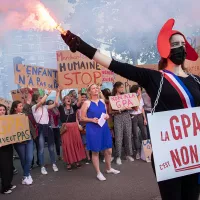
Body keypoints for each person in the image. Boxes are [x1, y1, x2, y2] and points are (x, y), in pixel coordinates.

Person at [61, 18, 199, 199]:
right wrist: (81, 46)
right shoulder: (153, 78)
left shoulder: (196, 80)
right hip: (169, 153)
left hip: (193, 151)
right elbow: (116, 65)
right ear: (165, 48)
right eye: (175, 44)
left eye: (183, 44)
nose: (180, 48)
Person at [81, 84, 120, 181]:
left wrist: (107, 116)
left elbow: (106, 113)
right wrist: (91, 120)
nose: (96, 89)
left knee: (109, 150)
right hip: (93, 129)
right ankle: (98, 172)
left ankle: (108, 168)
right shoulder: (87, 103)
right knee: (95, 151)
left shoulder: (102, 101)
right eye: (93, 88)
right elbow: (82, 118)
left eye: (97, 88)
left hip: (104, 127)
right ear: (89, 92)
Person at [32, 89, 60, 175]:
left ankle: (54, 164)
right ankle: (42, 166)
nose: (42, 99)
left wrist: (58, 92)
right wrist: (47, 94)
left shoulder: (45, 107)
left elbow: (55, 104)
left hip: (48, 127)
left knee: (51, 148)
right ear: (36, 100)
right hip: (40, 128)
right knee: (41, 149)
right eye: (40, 98)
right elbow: (41, 102)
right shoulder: (34, 107)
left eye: (42, 98)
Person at [59, 92, 86, 171]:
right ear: (63, 101)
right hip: (66, 128)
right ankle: (69, 162)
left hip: (74, 127)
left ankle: (77, 160)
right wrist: (58, 92)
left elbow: (79, 101)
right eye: (66, 98)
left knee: (75, 143)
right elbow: (56, 102)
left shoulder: (74, 107)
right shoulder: (60, 107)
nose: (68, 99)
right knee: (67, 144)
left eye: (69, 98)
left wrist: (79, 91)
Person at [109, 82, 134, 165]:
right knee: (118, 137)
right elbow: (110, 112)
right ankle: (118, 156)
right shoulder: (112, 98)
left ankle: (128, 154)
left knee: (128, 135)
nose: (122, 89)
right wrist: (119, 110)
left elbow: (134, 107)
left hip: (127, 116)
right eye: (120, 87)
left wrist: (129, 108)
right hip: (117, 118)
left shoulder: (126, 96)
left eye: (123, 87)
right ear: (116, 88)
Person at [10, 101, 34, 185]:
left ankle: (25, 174)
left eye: (22, 105)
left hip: (28, 138)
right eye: (20, 106)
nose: (22, 107)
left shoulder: (25, 114)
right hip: (19, 141)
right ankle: (27, 175)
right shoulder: (10, 118)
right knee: (23, 159)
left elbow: (30, 108)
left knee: (30, 157)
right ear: (15, 108)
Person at [0, 104, 16, 194]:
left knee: (10, 166)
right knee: (4, 167)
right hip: (1, 148)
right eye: (0, 110)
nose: (2, 111)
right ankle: (4, 188)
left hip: (8, 145)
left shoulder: (8, 120)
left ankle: (8, 183)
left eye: (3, 110)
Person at [130, 85, 148, 160]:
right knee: (135, 134)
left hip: (140, 115)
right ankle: (137, 151)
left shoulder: (140, 98)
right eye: (139, 90)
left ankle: (147, 151)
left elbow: (142, 108)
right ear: (135, 90)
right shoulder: (131, 98)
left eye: (140, 90)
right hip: (133, 116)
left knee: (144, 133)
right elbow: (136, 107)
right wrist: (138, 97)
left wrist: (144, 118)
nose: (140, 91)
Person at [76, 93, 91, 164]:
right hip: (82, 127)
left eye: (85, 97)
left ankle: (96, 154)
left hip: (90, 125)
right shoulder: (77, 109)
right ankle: (88, 157)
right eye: (82, 97)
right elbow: (76, 118)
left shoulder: (89, 107)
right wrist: (78, 125)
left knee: (92, 141)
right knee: (85, 143)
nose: (83, 99)